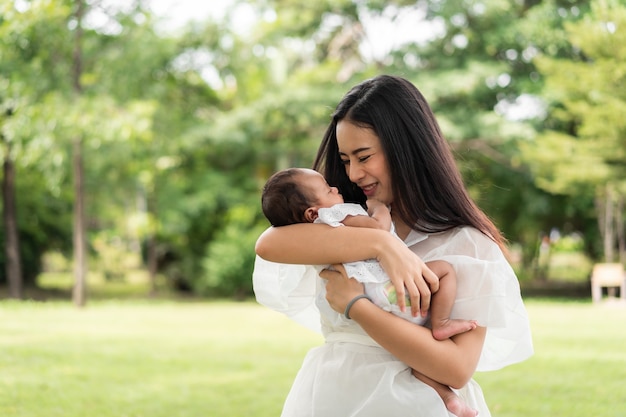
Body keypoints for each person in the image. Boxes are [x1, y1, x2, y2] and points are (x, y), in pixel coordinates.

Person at [253, 74, 533, 417]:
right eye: (344, 160)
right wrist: (384, 244)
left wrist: (356, 305)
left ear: (406, 149)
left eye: (364, 156)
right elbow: (268, 244)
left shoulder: (468, 244)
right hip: (334, 395)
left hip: (414, 405)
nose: (353, 174)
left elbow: (457, 369)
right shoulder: (338, 225)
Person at [261, 166, 480, 417]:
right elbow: (378, 227)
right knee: (444, 271)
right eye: (326, 189)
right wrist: (379, 208)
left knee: (417, 359)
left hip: (371, 302)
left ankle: (446, 396)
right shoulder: (337, 216)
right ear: (312, 212)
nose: (336, 187)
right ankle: (441, 323)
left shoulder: (311, 237)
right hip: (387, 292)